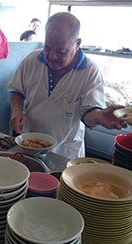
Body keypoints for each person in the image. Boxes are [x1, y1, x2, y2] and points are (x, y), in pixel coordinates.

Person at [8, 12, 127, 159]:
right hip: (29, 146)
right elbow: (16, 91)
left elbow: (88, 113)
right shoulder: (31, 60)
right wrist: (17, 111)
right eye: (47, 48)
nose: (52, 56)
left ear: (77, 44)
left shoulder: (90, 70)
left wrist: (99, 116)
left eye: (61, 51)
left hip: (66, 154)